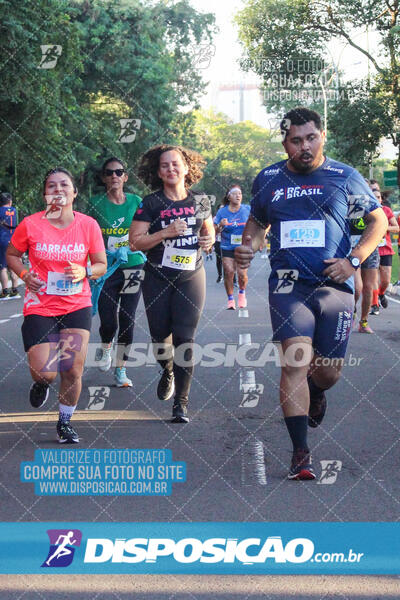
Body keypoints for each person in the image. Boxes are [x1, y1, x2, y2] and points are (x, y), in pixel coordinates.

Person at [235, 107, 387, 480]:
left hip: (334, 287)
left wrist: (354, 260)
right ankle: (300, 453)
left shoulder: (344, 177)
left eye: (311, 138)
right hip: (288, 286)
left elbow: (378, 220)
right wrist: (248, 244)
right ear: (285, 143)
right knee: (294, 364)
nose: (304, 146)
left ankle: (317, 392)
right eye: (295, 140)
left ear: (322, 137)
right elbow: (257, 222)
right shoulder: (269, 178)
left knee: (329, 373)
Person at [6, 168, 106, 443]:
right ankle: (41, 384)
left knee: (72, 368)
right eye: (52, 186)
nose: (58, 190)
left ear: (74, 192)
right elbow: (12, 254)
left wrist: (85, 272)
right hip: (40, 306)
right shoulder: (30, 224)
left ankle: (65, 422)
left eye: (65, 185)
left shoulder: (88, 225)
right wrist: (25, 276)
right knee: (46, 372)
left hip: (76, 304)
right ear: (45, 194)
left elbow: (101, 264)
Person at [130, 144, 214, 423]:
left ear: (187, 167)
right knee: (159, 337)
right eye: (165, 165)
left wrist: (208, 240)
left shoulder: (200, 199)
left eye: (176, 164)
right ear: (158, 172)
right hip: (157, 275)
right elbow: (135, 241)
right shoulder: (151, 203)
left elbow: (208, 230)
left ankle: (181, 404)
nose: (171, 169)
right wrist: (164, 232)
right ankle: (167, 370)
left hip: (191, 275)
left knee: (185, 337)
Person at [87, 157, 145, 387]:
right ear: (103, 178)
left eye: (119, 172)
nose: (114, 176)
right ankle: (105, 345)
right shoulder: (95, 203)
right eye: (109, 173)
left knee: (128, 317)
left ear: (125, 177)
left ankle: (121, 369)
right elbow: (87, 235)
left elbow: (146, 229)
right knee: (108, 319)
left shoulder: (136, 201)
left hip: (133, 265)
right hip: (106, 268)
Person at [214, 185, 250, 309]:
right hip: (227, 246)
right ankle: (230, 300)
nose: (238, 196)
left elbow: (259, 223)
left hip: (243, 247)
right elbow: (213, 230)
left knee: (241, 274)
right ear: (229, 197)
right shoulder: (222, 211)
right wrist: (220, 225)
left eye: (240, 194)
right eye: (235, 194)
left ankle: (241, 293)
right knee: (228, 272)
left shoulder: (247, 209)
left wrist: (260, 237)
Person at [368, 180, 398, 312]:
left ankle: (381, 293)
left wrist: (384, 227)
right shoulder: (366, 211)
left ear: (381, 199)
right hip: (371, 249)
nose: (377, 199)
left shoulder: (386, 210)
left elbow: (397, 228)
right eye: (374, 197)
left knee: (385, 280)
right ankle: (374, 305)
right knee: (374, 278)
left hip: (385, 249)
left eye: (379, 197)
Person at [0, 192, 20, 298]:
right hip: (13, 241)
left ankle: (5, 291)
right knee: (12, 266)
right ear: (10, 201)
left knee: (2, 267)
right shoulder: (14, 211)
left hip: (2, 241)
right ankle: (15, 289)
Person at [213, 203, 223, 282]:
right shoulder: (215, 219)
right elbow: (212, 231)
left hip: (228, 241)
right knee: (219, 259)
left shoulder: (230, 216)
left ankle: (233, 279)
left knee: (231, 260)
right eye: (220, 208)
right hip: (218, 241)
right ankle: (220, 276)